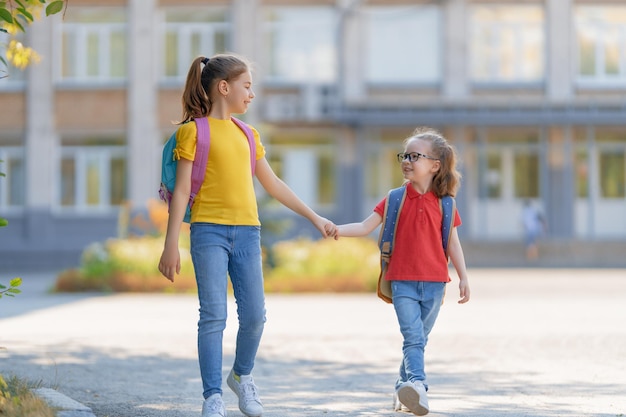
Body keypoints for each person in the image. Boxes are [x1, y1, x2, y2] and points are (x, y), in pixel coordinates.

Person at [158, 53, 337, 417]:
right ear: (224, 88)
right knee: (213, 315)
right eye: (247, 86)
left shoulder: (247, 134)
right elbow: (179, 192)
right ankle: (212, 396)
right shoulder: (192, 132)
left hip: (248, 234)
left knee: (255, 316)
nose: (251, 95)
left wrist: (315, 217)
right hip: (208, 232)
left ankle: (241, 376)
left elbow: (273, 184)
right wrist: (170, 245)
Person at [334, 127, 470, 416]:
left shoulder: (446, 204)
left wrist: (464, 277)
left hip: (434, 284)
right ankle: (419, 385)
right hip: (402, 282)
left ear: (435, 165)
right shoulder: (395, 198)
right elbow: (364, 226)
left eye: (414, 156)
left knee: (418, 339)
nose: (406, 161)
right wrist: (335, 230)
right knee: (413, 338)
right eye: (404, 156)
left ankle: (402, 386)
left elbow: (453, 244)